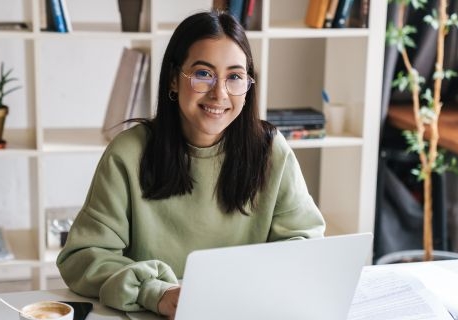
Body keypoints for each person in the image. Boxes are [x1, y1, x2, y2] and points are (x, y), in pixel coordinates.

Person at [56, 10, 326, 319]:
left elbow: (305, 245)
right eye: (203, 74)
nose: (219, 93)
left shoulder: (270, 150)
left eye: (235, 77)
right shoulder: (128, 153)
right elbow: (82, 257)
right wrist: (156, 293)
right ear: (174, 79)